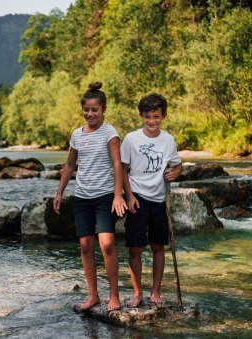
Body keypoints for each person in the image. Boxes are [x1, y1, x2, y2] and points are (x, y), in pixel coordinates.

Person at [53, 82, 127, 311]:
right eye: (86, 110)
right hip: (82, 197)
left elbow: (117, 164)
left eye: (95, 110)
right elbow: (69, 165)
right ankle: (93, 295)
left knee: (107, 244)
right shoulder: (77, 135)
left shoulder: (110, 133)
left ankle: (114, 296)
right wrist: (59, 193)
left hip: (105, 196)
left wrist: (118, 194)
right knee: (85, 245)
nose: (90, 114)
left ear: (103, 109)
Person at [120, 93, 183, 307]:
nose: (151, 121)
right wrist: (128, 196)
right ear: (141, 116)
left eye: (156, 116)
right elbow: (122, 169)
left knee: (158, 246)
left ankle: (155, 292)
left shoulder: (168, 140)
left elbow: (177, 165)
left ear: (163, 116)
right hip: (137, 198)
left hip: (158, 199)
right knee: (135, 248)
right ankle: (137, 292)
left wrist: (175, 173)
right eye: (147, 116)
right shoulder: (131, 139)